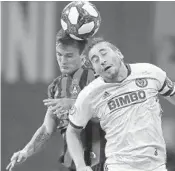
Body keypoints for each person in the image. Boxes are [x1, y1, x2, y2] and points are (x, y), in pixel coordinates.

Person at [66, 37, 175, 171]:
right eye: (95, 60)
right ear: (95, 70)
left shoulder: (150, 73)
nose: (102, 60)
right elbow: (71, 132)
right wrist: (81, 166)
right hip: (119, 166)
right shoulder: (90, 95)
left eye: (104, 53)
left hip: (156, 165)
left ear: (119, 53)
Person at [6, 30, 105, 171]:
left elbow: (109, 115)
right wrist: (26, 151)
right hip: (73, 164)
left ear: (83, 58)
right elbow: (47, 128)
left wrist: (73, 105)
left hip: (104, 161)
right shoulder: (56, 87)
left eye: (69, 56)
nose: (63, 61)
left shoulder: (96, 79)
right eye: (59, 55)